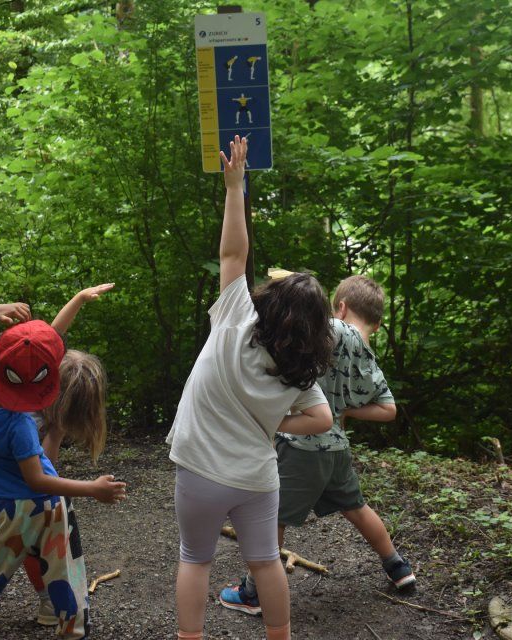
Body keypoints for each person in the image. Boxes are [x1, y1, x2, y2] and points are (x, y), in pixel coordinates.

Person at [165, 135, 334, 640]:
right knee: (265, 563)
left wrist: (235, 185)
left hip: (199, 466)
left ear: (269, 303)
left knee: (195, 559)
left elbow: (233, 252)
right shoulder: (302, 368)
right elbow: (322, 420)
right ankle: (279, 635)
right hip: (258, 477)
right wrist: (275, 421)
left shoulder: (236, 318)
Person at [220, 275, 415, 616]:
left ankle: (254, 592)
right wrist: (344, 410)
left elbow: (300, 316)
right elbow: (388, 410)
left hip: (301, 445)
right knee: (356, 507)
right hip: (336, 448)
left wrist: (285, 281)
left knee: (273, 517)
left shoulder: (333, 329)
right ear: (379, 324)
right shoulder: (366, 354)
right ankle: (398, 567)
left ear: (339, 307)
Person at [0, 301, 125, 640]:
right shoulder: (18, 424)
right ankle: (72, 629)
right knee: (66, 573)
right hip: (45, 506)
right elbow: (37, 478)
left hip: (3, 509)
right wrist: (92, 488)